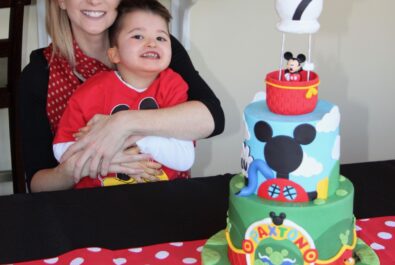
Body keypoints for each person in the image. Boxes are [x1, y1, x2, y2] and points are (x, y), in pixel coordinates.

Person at [19, 0, 225, 192]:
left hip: (166, 200)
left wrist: (123, 124)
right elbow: (37, 183)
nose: (94, 1)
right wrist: (84, 163)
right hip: (87, 210)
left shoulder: (154, 48)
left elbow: (213, 118)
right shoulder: (39, 74)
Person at [53, 0, 195, 188]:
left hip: (161, 197)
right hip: (99, 201)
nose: (152, 43)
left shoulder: (173, 86)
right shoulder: (91, 91)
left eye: (161, 38)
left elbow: (185, 158)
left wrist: (133, 136)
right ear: (114, 54)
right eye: (138, 36)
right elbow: (61, 150)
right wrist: (110, 155)